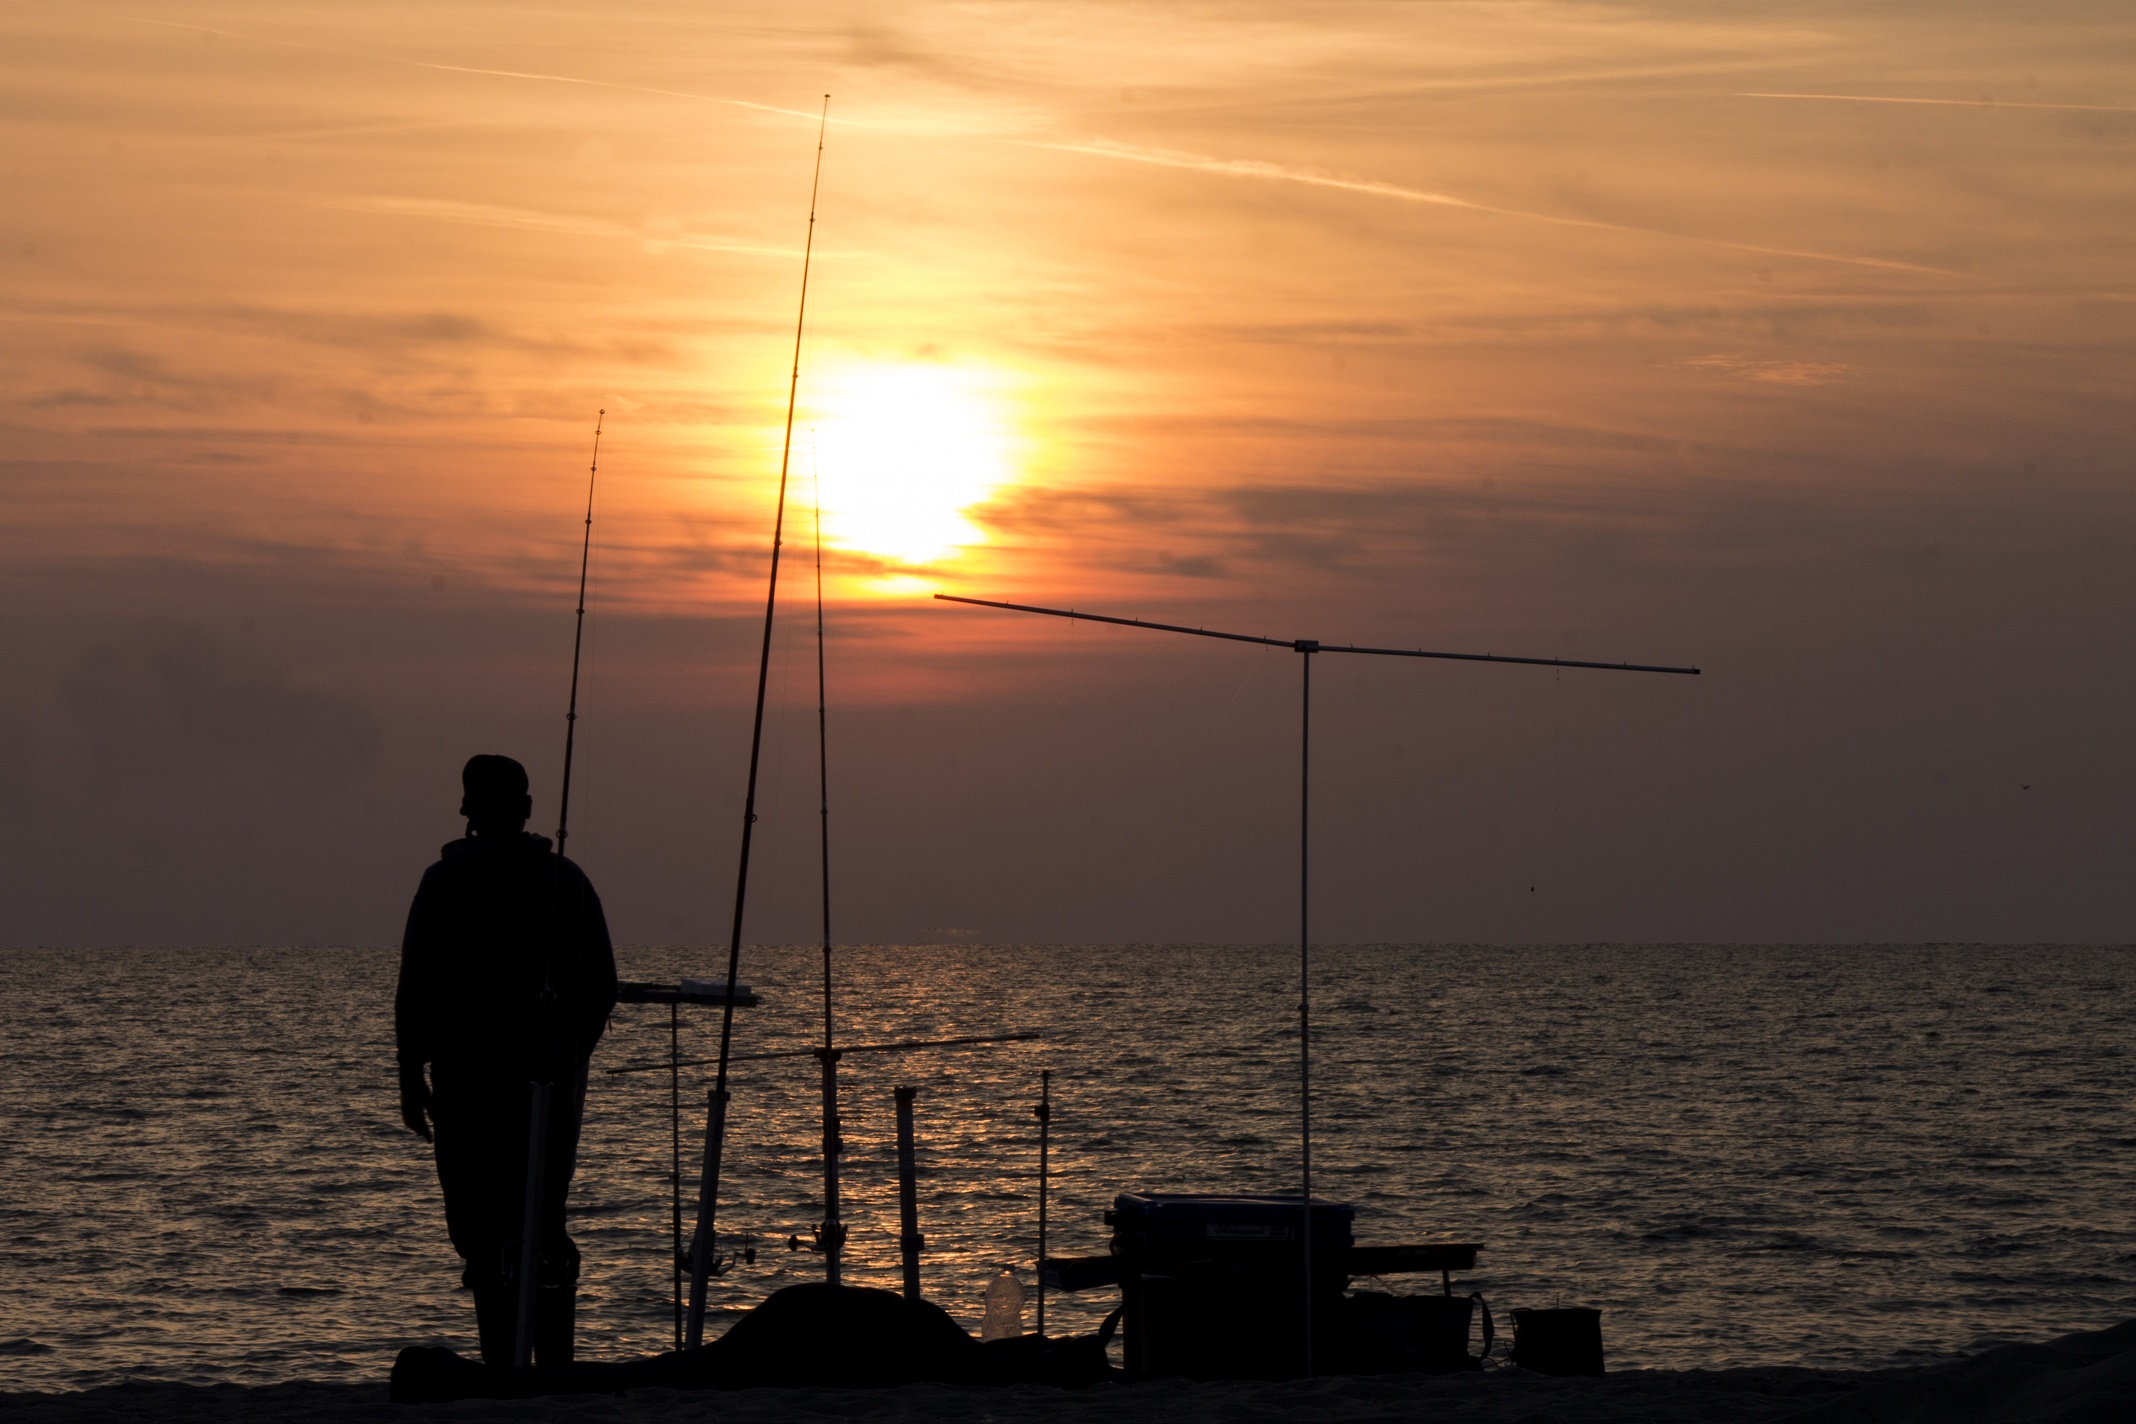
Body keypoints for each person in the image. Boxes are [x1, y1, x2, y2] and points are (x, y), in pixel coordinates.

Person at [396, 754, 618, 1366]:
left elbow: (414, 989)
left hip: (470, 1087)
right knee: (540, 1216)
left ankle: (504, 1361)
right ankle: (550, 1364)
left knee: (485, 1228)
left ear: (468, 811)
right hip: (541, 1086)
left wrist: (411, 1077)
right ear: (523, 809)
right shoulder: (565, 879)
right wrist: (570, 1056)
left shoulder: (443, 883)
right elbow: (602, 987)